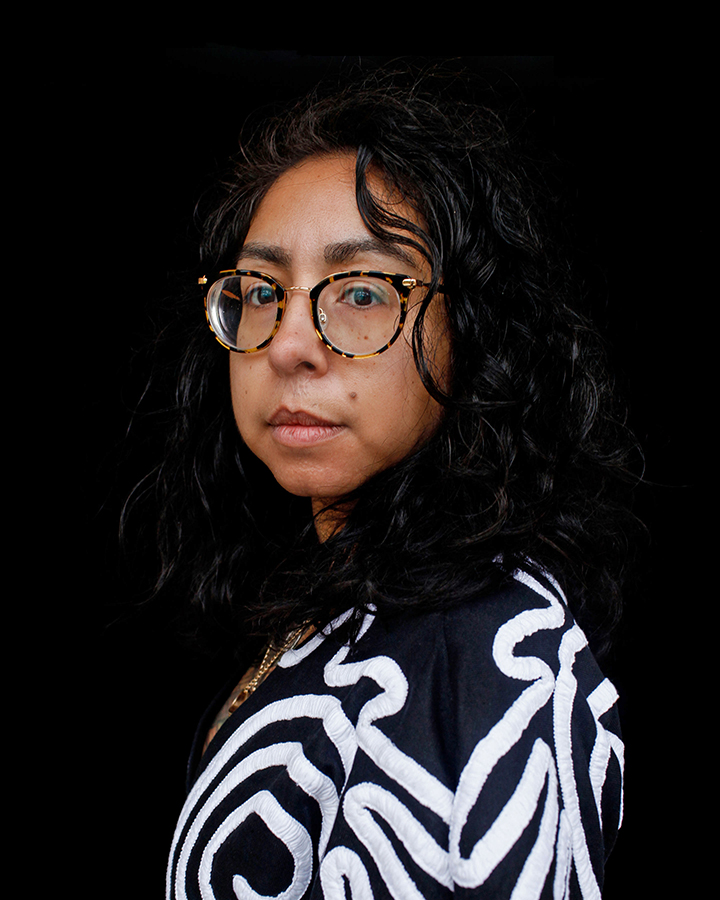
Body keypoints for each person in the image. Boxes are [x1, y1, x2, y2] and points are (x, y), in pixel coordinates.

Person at [152, 69, 636, 899]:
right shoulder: (342, 608)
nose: (290, 344)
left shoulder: (486, 652)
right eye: (260, 291)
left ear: (472, 330)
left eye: (364, 292)